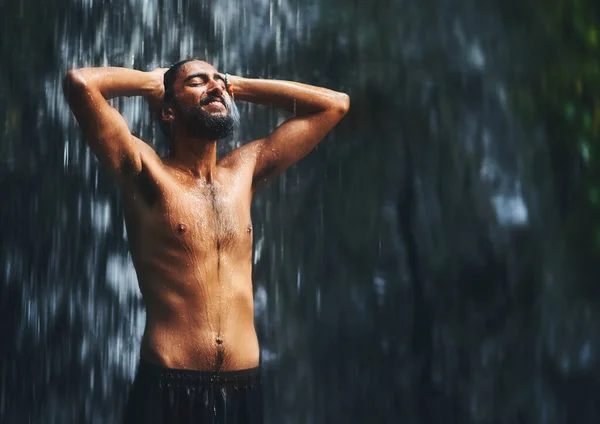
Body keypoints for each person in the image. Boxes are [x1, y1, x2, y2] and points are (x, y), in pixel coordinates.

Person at [62, 59, 350, 423]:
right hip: (169, 385)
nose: (215, 87)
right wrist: (153, 82)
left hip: (243, 389)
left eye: (219, 81)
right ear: (168, 110)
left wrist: (236, 84)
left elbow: (335, 104)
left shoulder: (244, 171)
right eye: (197, 82)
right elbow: (80, 84)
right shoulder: (145, 172)